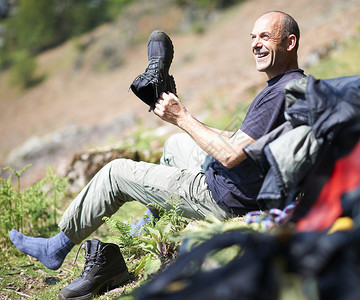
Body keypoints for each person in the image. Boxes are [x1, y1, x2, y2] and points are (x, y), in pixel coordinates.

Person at [9, 9, 306, 295]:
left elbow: (230, 155)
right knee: (175, 145)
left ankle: (57, 247)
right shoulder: (292, 86)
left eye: (265, 37)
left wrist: (182, 117)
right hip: (247, 183)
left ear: (289, 42)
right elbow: (241, 140)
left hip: (228, 196)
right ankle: (147, 228)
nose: (255, 44)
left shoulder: (278, 94)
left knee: (115, 173)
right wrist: (181, 118)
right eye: (253, 37)